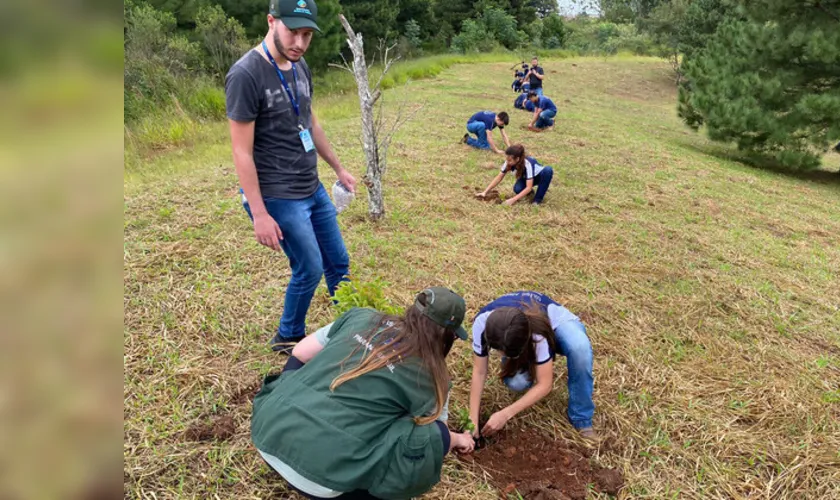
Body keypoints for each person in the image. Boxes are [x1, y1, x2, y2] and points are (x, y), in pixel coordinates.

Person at [251, 287, 476, 500]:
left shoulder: (361, 317)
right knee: (428, 434)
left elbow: (299, 352)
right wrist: (460, 439)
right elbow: (437, 438)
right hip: (326, 481)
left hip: (268, 433)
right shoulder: (434, 377)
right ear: (448, 336)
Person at [226, 0, 358, 353]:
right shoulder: (246, 74)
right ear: (272, 21)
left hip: (310, 185)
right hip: (277, 194)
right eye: (292, 32)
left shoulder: (301, 67)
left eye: (306, 35)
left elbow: (310, 122)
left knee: (338, 261)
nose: (299, 42)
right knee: (310, 267)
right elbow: (241, 151)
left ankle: (350, 326)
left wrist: (339, 168)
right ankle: (288, 336)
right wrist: (259, 214)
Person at [467, 291, 595, 441]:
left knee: (579, 349)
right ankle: (537, 363)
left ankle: (582, 418)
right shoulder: (482, 324)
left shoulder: (537, 334)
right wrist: (472, 421)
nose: (501, 355)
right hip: (518, 333)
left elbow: (545, 384)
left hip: (557, 324)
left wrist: (505, 414)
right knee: (517, 382)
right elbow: (479, 371)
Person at [477, 145, 553, 206]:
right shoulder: (508, 163)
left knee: (548, 170)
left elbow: (528, 187)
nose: (507, 161)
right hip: (526, 178)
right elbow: (499, 177)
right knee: (517, 189)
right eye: (507, 159)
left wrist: (512, 200)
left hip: (539, 177)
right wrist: (485, 192)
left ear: (517, 159)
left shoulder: (528, 163)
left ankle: (537, 200)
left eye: (509, 160)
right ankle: (530, 193)